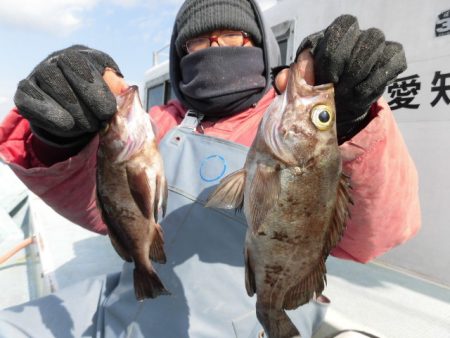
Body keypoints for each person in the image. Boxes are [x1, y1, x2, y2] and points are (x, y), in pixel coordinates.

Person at [0, 0, 420, 337]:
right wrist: (58, 138)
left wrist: (350, 125)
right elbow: (102, 209)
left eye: (232, 35)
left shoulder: (281, 123)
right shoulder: (157, 123)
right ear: (181, 55)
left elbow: (377, 236)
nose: (216, 47)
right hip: (135, 315)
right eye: (199, 41)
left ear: (259, 46)